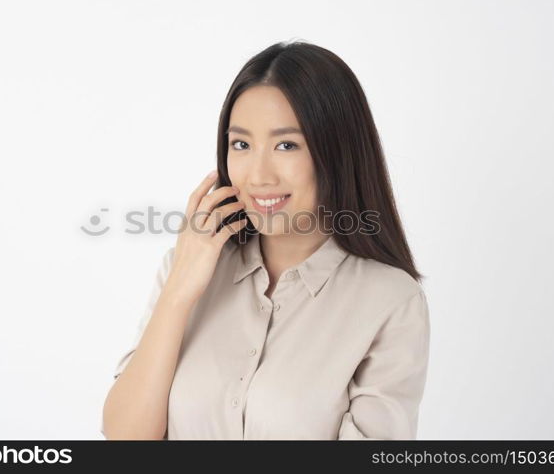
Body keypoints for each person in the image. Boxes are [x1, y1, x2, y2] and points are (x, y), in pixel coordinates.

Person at [101, 40, 430, 440]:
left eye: (286, 145)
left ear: (336, 152)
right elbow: (124, 437)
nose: (258, 175)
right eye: (241, 144)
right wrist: (178, 294)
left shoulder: (389, 300)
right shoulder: (186, 268)